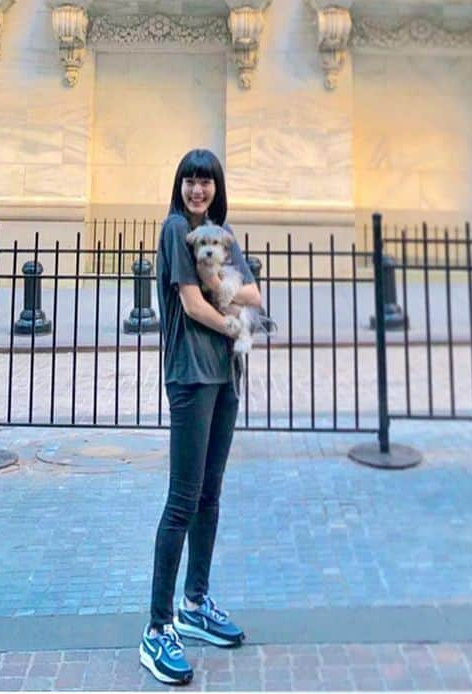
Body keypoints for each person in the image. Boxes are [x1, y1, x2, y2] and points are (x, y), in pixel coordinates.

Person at [140, 148, 264, 686]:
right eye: (190, 181)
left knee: (211, 495)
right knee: (182, 500)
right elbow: (191, 304)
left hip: (226, 377)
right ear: (180, 185)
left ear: (217, 187)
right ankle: (157, 627)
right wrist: (231, 318)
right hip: (192, 376)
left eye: (206, 181)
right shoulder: (174, 231)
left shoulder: (222, 231)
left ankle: (196, 601)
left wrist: (232, 300)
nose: (197, 190)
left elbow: (255, 293)